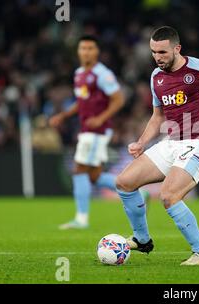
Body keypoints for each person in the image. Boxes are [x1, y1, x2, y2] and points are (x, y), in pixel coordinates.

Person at [115, 26, 199, 266]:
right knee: (124, 183)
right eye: (154, 52)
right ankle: (142, 239)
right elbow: (158, 116)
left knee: (168, 195)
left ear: (177, 48)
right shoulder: (156, 76)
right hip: (172, 142)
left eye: (163, 52)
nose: (158, 57)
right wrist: (141, 142)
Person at [50, 35, 148, 229]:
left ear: (97, 52)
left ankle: (81, 219)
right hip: (88, 129)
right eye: (83, 48)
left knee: (79, 170)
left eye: (90, 48)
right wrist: (64, 115)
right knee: (93, 176)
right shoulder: (79, 73)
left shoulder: (102, 74)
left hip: (97, 131)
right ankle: (138, 192)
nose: (86, 52)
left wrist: (101, 118)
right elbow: (82, 101)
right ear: (78, 51)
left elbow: (118, 99)